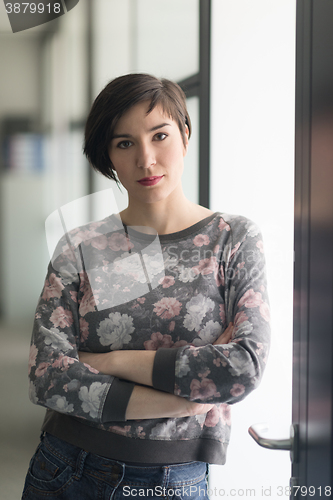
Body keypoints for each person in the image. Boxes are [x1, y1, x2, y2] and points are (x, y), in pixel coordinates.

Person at [22, 73, 270, 499]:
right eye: (125, 144)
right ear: (108, 157)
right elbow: (47, 377)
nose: (147, 159)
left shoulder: (233, 239)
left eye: (160, 135)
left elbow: (242, 368)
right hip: (66, 471)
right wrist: (185, 403)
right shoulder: (81, 246)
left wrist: (108, 361)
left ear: (185, 134)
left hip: (174, 482)